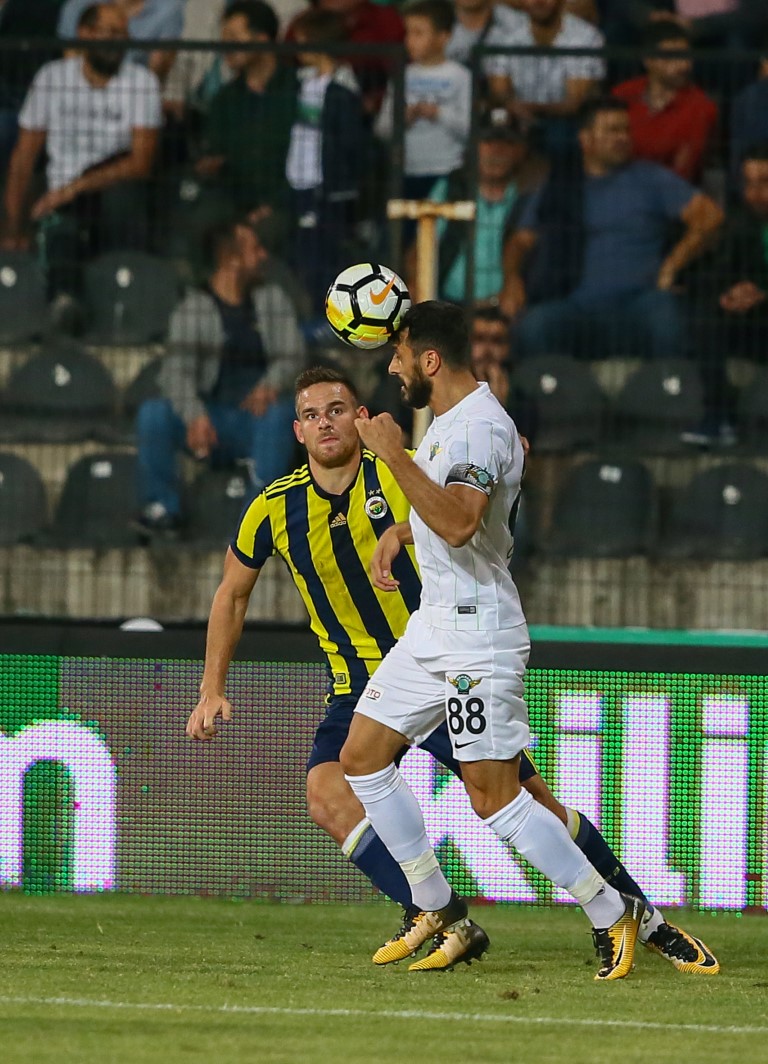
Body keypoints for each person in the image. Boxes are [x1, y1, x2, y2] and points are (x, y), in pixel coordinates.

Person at [186, 361, 719, 976]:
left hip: (445, 662)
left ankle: (647, 922)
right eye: (311, 415)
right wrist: (211, 688)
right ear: (297, 431)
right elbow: (231, 594)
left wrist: (505, 457)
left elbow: (467, 496)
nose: (325, 423)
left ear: (360, 417)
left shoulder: (403, 467)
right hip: (361, 682)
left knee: (525, 800)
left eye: (336, 409)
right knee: (329, 793)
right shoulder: (272, 508)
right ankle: (443, 916)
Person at [337, 301, 719, 978]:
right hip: (434, 627)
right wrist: (401, 531)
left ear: (431, 360)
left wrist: (392, 456)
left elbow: (461, 523)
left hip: (476, 637)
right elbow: (455, 519)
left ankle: (610, 910)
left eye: (399, 355)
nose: (392, 367)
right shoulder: (453, 422)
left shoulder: (480, 428)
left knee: (494, 797)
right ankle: (434, 904)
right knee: (363, 758)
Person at [503, 97, 723, 362]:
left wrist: (672, 266)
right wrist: (512, 279)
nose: (622, 138)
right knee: (534, 327)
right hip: (575, 307)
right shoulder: (560, 185)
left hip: (640, 302)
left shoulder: (650, 178)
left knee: (668, 319)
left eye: (625, 130)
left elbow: (710, 217)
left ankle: (672, 386)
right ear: (586, 139)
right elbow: (521, 241)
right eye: (611, 130)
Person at [134, 218, 304, 537]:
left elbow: (292, 355)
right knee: (153, 414)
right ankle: (162, 508)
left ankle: (256, 522)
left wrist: (270, 384)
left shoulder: (271, 299)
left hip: (256, 420)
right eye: (255, 249)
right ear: (232, 259)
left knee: (280, 415)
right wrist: (194, 415)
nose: (263, 256)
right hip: (210, 420)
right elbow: (175, 372)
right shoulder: (193, 308)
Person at [2, 2, 161, 326]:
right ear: (84, 33)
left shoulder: (141, 82)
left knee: (122, 199)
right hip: (61, 196)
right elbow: (23, 157)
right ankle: (65, 305)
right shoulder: (52, 77)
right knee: (61, 234)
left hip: (110, 190)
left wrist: (73, 188)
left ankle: (123, 301)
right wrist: (13, 227)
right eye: (108, 32)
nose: (116, 41)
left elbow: (140, 162)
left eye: (122, 34)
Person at [409, 112, 546, 304]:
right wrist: (418, 285)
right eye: (488, 142)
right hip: (450, 304)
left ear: (520, 151)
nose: (496, 151)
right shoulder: (451, 189)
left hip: (508, 306)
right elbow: (420, 247)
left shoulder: (528, 192)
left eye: (507, 143)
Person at [286, 8, 367, 313]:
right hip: (298, 180)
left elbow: (350, 142)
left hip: (327, 187)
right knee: (303, 252)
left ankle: (331, 315)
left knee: (328, 254)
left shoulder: (343, 89)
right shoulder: (298, 83)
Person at [688, 143, 768, 442]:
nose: (755, 194)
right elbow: (718, 271)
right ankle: (718, 416)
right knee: (706, 315)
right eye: (749, 184)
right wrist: (729, 294)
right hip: (756, 324)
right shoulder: (741, 221)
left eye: (765, 183)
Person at [196, 0, 297, 216]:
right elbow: (213, 153)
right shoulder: (225, 98)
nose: (226, 47)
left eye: (233, 38)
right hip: (233, 204)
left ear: (262, 39)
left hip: (287, 205)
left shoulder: (299, 90)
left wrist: (274, 205)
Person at [375, 0, 472, 205]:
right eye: (408, 33)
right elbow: (382, 130)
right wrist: (403, 118)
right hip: (406, 172)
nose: (410, 40)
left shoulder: (460, 76)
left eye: (418, 33)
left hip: (448, 170)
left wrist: (438, 113)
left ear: (443, 37)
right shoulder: (401, 76)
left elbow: (471, 128)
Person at [486, 0, 605, 153]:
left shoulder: (586, 36)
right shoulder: (506, 36)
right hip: (517, 117)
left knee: (561, 132)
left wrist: (532, 108)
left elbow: (576, 101)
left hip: (567, 122)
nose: (539, 2)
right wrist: (513, 107)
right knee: (496, 121)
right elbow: (499, 92)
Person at [612, 21, 717, 183]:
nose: (683, 65)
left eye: (686, 57)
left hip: (668, 193)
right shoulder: (622, 94)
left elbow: (682, 172)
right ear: (648, 60)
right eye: (671, 58)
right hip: (614, 185)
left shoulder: (701, 107)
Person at [57, 0, 185, 83]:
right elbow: (71, 68)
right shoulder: (77, 6)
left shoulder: (170, 9)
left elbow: (156, 75)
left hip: (134, 94)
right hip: (82, 94)